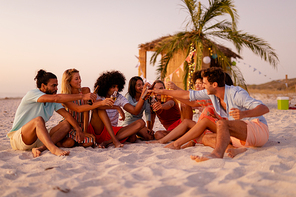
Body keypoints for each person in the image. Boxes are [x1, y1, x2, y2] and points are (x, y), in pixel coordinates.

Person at [151, 67, 269, 161]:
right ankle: (234, 149)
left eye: (205, 83)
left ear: (214, 85)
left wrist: (244, 114)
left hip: (257, 130)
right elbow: (188, 95)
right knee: (206, 136)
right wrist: (161, 91)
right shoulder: (212, 94)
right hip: (239, 137)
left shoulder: (236, 93)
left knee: (222, 123)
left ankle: (217, 154)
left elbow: (264, 108)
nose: (202, 86)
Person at [7, 69, 97, 157]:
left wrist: (78, 129)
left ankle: (41, 148)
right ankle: (53, 149)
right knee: (38, 120)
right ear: (43, 86)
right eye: (53, 86)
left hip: (38, 139)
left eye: (57, 86)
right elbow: (56, 98)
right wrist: (82, 96)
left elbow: (66, 115)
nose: (56, 88)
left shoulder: (52, 100)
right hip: (20, 139)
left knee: (66, 123)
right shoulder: (33, 93)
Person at [54, 68, 119, 148]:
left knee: (89, 142)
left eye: (79, 78)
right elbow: (79, 108)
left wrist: (84, 131)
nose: (80, 81)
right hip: (70, 126)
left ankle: (76, 140)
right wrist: (101, 102)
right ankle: (62, 141)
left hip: (82, 126)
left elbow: (86, 110)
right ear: (68, 81)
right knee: (69, 143)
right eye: (76, 79)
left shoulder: (85, 90)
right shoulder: (65, 96)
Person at [88, 70, 148, 148]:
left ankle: (108, 142)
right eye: (113, 87)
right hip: (97, 130)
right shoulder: (97, 96)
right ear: (106, 86)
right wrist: (116, 107)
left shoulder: (119, 97)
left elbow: (135, 111)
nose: (116, 89)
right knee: (99, 107)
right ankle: (115, 140)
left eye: (117, 87)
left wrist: (142, 96)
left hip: (111, 132)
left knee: (140, 123)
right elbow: (91, 106)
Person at [121, 76, 154, 140]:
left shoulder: (146, 97)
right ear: (133, 87)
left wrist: (149, 128)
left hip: (139, 123)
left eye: (142, 84)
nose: (142, 87)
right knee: (132, 138)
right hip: (128, 122)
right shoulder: (128, 96)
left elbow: (148, 113)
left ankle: (138, 134)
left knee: (150, 137)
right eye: (139, 85)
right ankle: (134, 134)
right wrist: (142, 98)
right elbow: (134, 108)